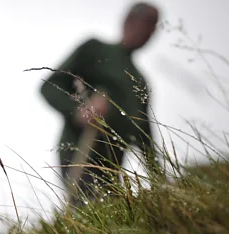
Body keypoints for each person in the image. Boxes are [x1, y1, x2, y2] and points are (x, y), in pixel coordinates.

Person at [39, 2, 160, 206]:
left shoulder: (140, 81)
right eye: (146, 22)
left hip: (113, 166)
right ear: (128, 20)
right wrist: (79, 110)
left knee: (115, 215)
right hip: (81, 152)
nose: (150, 31)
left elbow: (144, 134)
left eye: (154, 26)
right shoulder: (96, 49)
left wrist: (159, 178)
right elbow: (50, 86)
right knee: (91, 209)